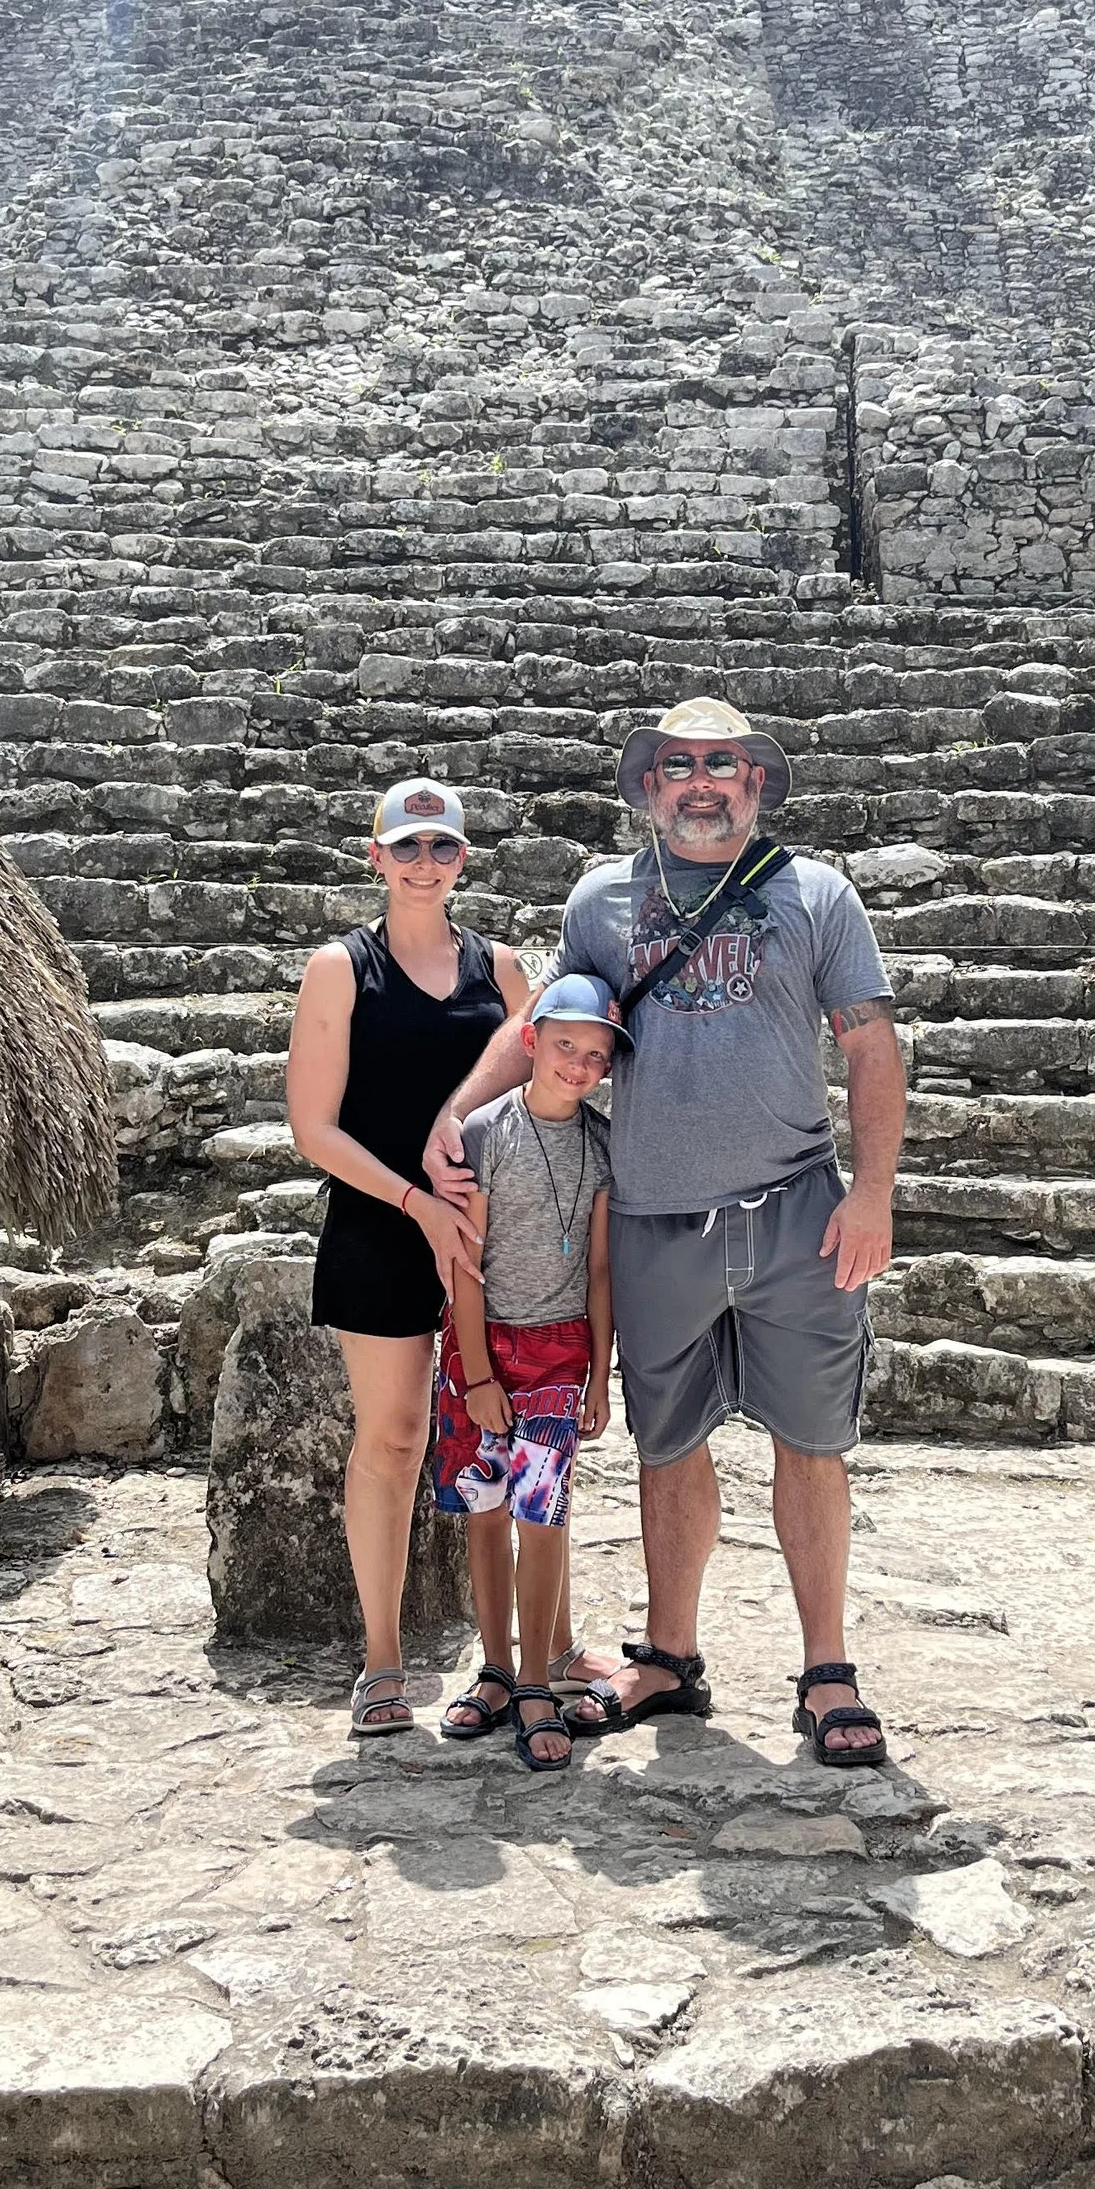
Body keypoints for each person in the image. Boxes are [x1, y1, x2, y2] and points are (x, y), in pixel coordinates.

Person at [429, 698, 907, 1768]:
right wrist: (455, 1116)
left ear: (755, 783)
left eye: (722, 764)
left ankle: (826, 1665)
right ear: (648, 787)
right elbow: (550, 1022)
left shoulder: (816, 893)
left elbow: (870, 1044)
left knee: (813, 1441)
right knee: (668, 1441)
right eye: (678, 765)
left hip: (794, 1205)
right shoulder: (602, 900)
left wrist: (871, 1192)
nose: (700, 782)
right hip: (650, 1212)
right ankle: (671, 1657)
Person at [287, 780, 523, 1736]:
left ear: (463, 860)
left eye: (445, 849)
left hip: (487, 1237)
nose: (427, 864)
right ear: (375, 857)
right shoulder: (340, 968)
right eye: (409, 847)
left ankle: (523, 1650)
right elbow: (313, 1126)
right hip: (383, 1227)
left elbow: (533, 1082)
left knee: (510, 1434)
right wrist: (415, 1201)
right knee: (389, 1439)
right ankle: (382, 1659)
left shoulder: (502, 970)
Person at [430, 974, 622, 1773]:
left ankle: (540, 1679)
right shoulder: (484, 1133)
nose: (577, 1064)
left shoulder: (603, 1145)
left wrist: (599, 1374)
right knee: (484, 1510)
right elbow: (464, 1266)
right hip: (481, 1351)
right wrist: (475, 1372)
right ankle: (499, 1667)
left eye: (596, 1055)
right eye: (565, 1045)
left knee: (542, 1515)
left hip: (559, 1355)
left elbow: (603, 1268)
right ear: (532, 1041)